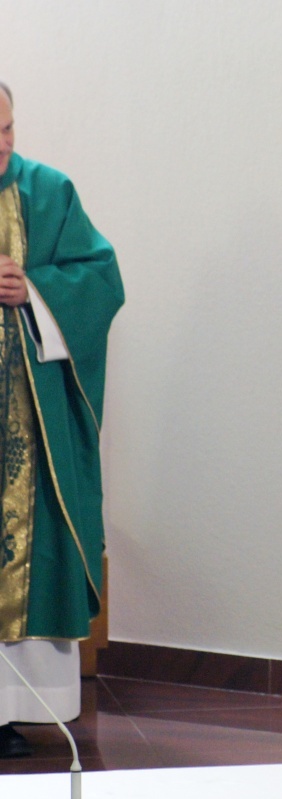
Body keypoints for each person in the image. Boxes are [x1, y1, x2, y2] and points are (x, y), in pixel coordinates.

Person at [0, 81, 124, 757]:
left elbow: (103, 280)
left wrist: (34, 288)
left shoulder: (49, 192)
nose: (4, 143)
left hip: (27, 425)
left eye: (8, 128)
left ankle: (10, 708)